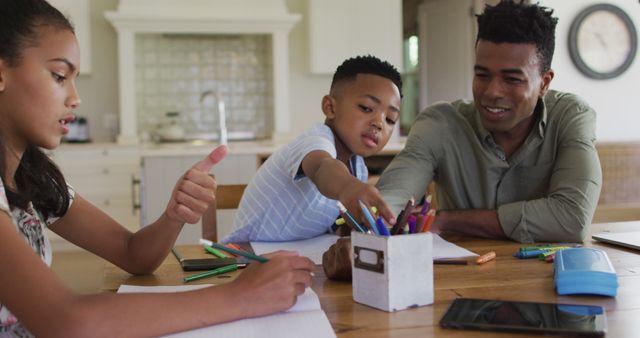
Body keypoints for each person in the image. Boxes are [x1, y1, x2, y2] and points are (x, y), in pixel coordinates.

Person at [0, 1, 314, 337]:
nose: (76, 98)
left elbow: (132, 254)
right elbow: (66, 321)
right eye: (60, 76)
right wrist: (241, 295)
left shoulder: (36, 179)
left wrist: (174, 214)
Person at [323, 0, 602, 278]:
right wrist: (366, 235)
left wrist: (448, 219)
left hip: (548, 280)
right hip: (459, 281)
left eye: (512, 79)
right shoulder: (440, 123)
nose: (492, 91)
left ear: (544, 82)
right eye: (482, 75)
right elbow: (391, 199)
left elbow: (572, 218)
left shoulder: (571, 116)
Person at [223, 55, 402, 243]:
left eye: (390, 119)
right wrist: (348, 187)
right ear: (330, 107)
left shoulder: (358, 170)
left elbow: (335, 223)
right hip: (243, 257)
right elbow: (322, 167)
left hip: (295, 259)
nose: (379, 123)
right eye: (366, 108)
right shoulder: (314, 142)